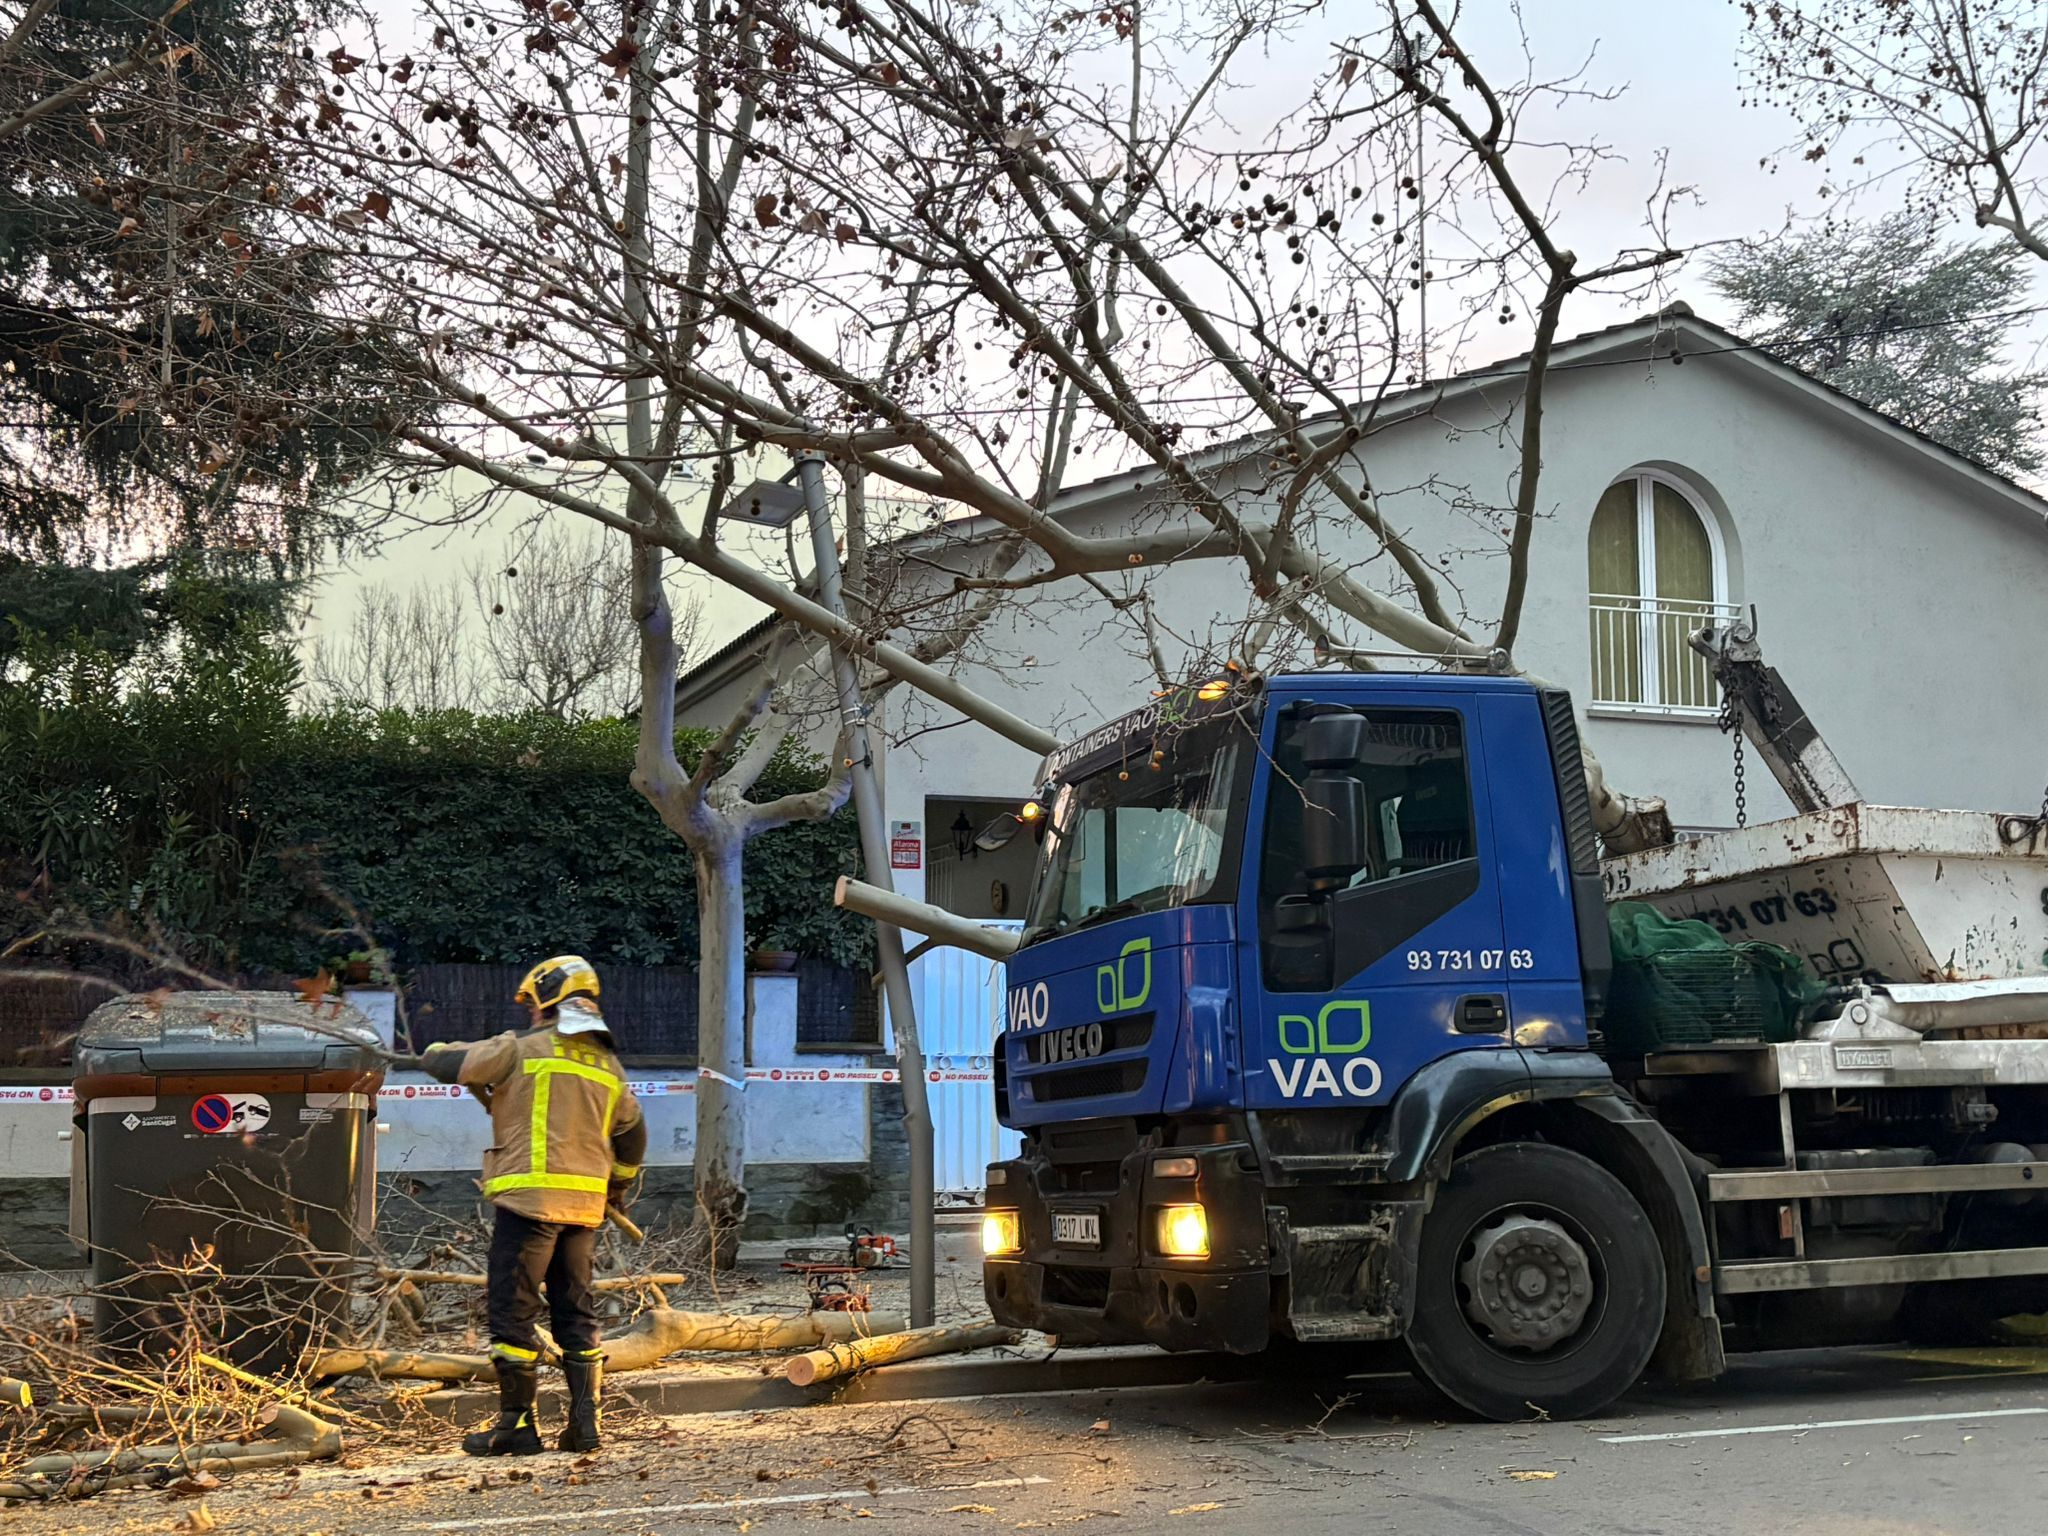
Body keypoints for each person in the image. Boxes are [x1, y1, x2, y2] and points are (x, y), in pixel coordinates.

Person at [422, 955, 645, 1456]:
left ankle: (517, 1427)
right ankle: (586, 1426)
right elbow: (633, 1134)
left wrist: (438, 1047)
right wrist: (617, 1187)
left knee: (513, 1313)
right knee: (576, 1311)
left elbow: (440, 1062)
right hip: (583, 1210)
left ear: (548, 999)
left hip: (529, 1206)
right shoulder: (607, 1066)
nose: (528, 1013)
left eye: (531, 1004)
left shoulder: (519, 1049)